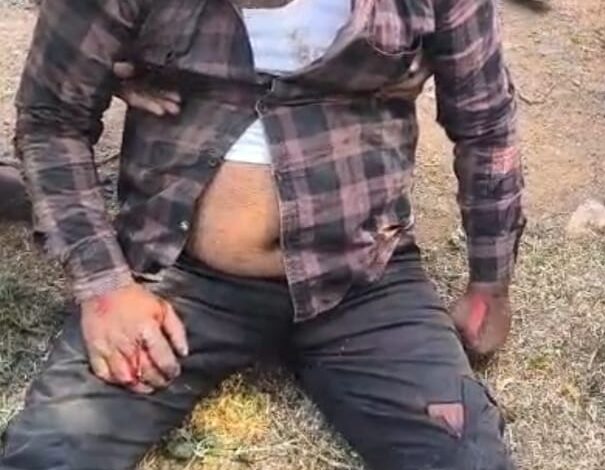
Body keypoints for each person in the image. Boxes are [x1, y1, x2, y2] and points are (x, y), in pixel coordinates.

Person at [0, 0, 524, 468]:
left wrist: (490, 284)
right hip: (178, 276)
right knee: (52, 453)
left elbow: (485, 123)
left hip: (360, 276)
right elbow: (51, 121)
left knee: (466, 456)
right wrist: (106, 287)